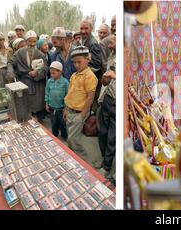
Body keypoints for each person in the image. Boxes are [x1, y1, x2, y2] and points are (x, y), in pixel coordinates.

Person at [63, 45, 98, 161]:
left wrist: (82, 115)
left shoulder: (90, 76)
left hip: (79, 113)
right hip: (70, 112)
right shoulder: (74, 75)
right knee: (71, 138)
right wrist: (66, 109)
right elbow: (70, 94)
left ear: (88, 59)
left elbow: (90, 98)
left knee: (73, 140)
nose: (76, 65)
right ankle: (74, 160)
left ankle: (85, 162)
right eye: (74, 62)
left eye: (79, 62)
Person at [7, 30, 48, 122]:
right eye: (30, 41)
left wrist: (37, 72)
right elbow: (10, 62)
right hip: (24, 82)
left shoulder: (41, 54)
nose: (32, 44)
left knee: (38, 104)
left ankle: (39, 122)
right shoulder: (19, 53)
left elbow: (46, 68)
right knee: (26, 104)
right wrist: (10, 72)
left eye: (34, 41)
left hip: (37, 84)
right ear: (25, 41)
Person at [98, 34, 116, 179]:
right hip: (107, 99)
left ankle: (107, 167)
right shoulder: (111, 56)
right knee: (103, 133)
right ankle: (104, 159)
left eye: (112, 41)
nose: (109, 45)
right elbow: (105, 82)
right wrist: (105, 79)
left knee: (112, 137)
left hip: (117, 103)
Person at [80, 19, 105, 110]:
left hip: (91, 80)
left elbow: (97, 64)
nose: (83, 31)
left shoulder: (93, 43)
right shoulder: (84, 40)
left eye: (86, 28)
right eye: (81, 28)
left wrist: (84, 65)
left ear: (91, 29)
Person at [45, 61, 69, 140]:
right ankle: (54, 135)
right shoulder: (49, 81)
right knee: (53, 122)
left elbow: (67, 95)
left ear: (60, 72)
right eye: (51, 73)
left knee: (63, 123)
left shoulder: (65, 82)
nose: (51, 75)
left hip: (61, 108)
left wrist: (66, 108)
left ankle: (64, 135)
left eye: (53, 73)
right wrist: (47, 103)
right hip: (52, 107)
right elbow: (47, 92)